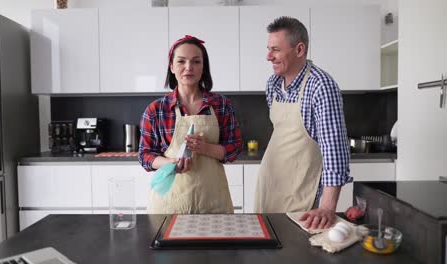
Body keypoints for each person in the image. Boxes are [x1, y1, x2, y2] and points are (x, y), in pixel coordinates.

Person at [254, 17, 352, 229]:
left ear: (299, 50)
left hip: (301, 190)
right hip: (269, 182)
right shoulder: (273, 83)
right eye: (268, 49)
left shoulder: (321, 86)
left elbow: (334, 149)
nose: (268, 56)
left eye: (275, 50)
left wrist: (327, 206)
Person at [139, 35, 243, 214]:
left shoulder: (221, 105)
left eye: (196, 62)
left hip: (213, 203)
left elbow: (234, 148)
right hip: (169, 204)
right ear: (171, 67)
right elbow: (145, 155)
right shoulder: (156, 110)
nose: (189, 68)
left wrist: (206, 148)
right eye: (181, 61)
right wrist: (171, 163)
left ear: (203, 68)